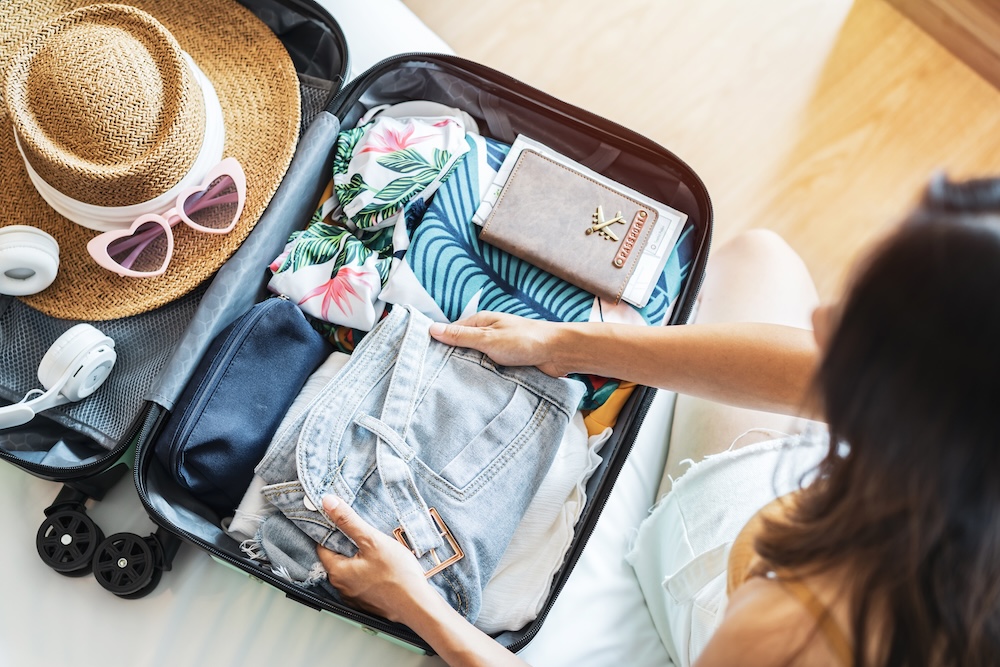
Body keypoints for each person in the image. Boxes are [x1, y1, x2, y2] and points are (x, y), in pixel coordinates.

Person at [314, 174, 1000, 667]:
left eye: (854, 330)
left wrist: (416, 604)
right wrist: (562, 345)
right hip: (809, 511)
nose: (819, 317)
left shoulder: (794, 633)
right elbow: (811, 371)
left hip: (723, 591)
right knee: (762, 255)